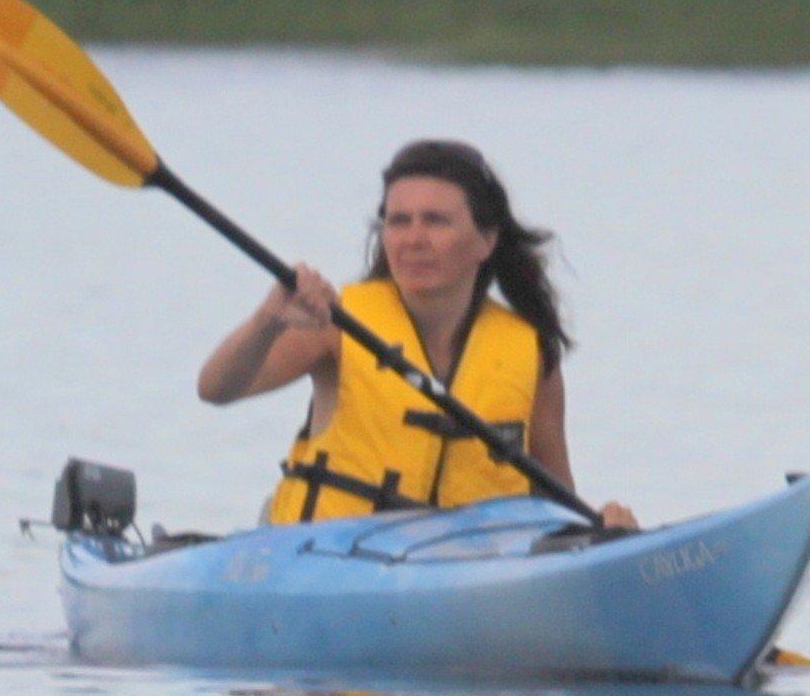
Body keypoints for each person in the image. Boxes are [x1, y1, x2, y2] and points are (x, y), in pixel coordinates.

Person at [198, 139, 636, 533]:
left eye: (436, 221)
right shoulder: (335, 325)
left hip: (465, 574)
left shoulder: (531, 353)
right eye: (399, 221)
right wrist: (267, 321)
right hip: (323, 562)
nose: (413, 239)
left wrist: (605, 530)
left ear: (486, 240)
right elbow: (216, 388)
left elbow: (559, 511)